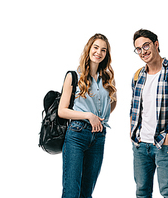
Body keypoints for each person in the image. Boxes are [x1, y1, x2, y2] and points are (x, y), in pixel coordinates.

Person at [130, 29, 168, 198]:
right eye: (138, 49)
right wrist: (133, 133)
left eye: (146, 45)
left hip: (164, 145)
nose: (143, 51)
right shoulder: (138, 76)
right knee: (142, 192)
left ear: (156, 44)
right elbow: (134, 108)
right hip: (140, 145)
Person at [58, 33, 117, 198]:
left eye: (103, 50)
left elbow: (112, 103)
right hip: (77, 134)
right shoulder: (74, 76)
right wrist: (89, 116)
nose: (99, 52)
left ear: (106, 55)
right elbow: (62, 110)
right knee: (71, 192)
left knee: (86, 193)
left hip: (99, 136)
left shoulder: (108, 79)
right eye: (96, 47)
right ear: (89, 49)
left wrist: (99, 116)